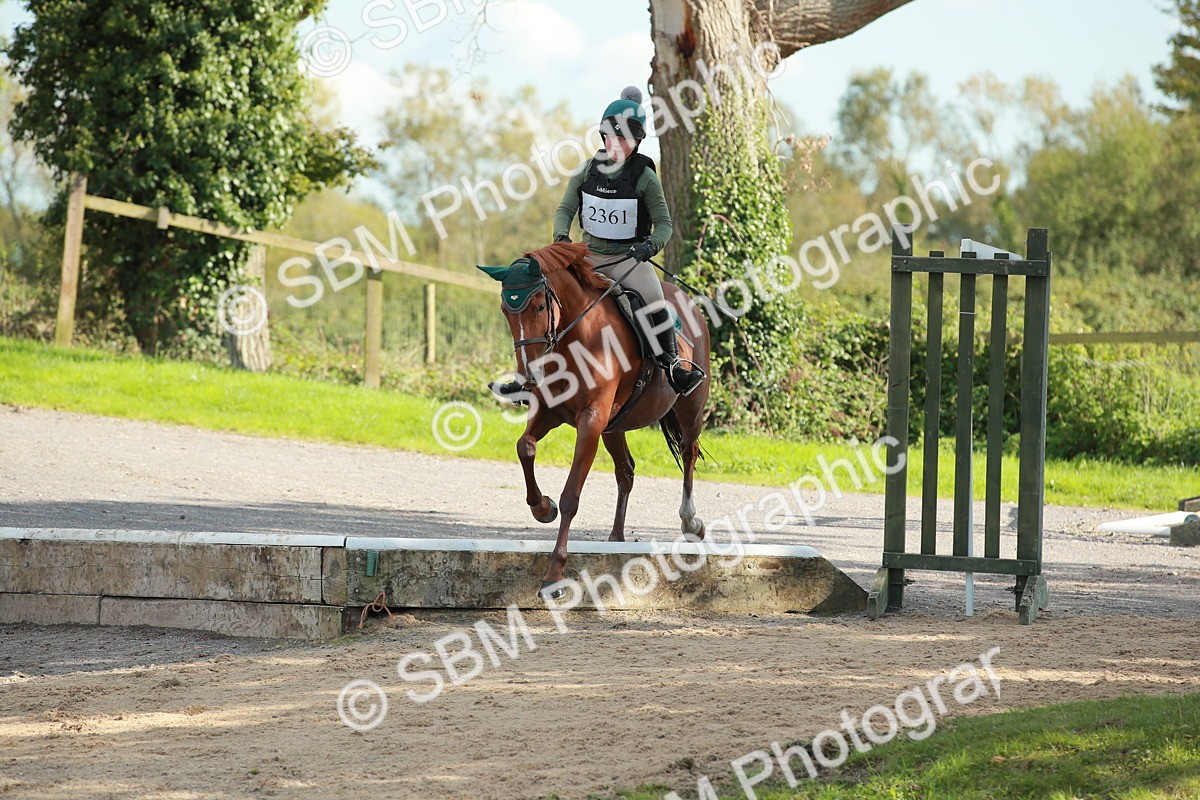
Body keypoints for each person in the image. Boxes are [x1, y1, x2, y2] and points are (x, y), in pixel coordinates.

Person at [491, 86, 705, 401]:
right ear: (603, 137)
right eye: (611, 138)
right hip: (586, 256)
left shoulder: (645, 177)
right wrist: (561, 237)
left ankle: (673, 365)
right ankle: (528, 379)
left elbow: (665, 225)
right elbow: (565, 209)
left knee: (655, 298)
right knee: (539, 299)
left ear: (636, 143)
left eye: (625, 140)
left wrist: (649, 246)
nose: (616, 145)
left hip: (628, 260)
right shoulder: (586, 171)